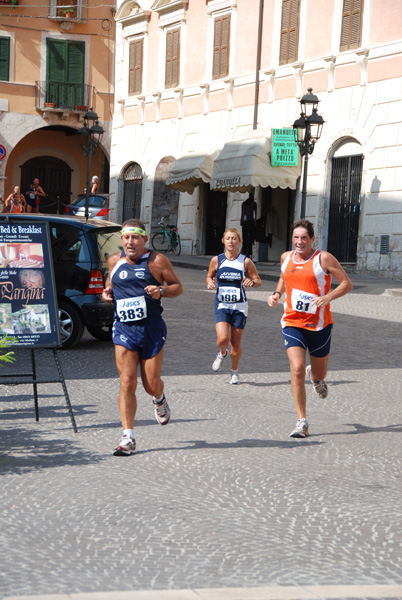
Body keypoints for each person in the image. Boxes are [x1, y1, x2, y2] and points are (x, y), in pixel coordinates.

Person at [102, 218, 183, 456]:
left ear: (144, 239)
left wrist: (161, 291)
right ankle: (128, 437)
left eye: (135, 237)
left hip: (151, 329)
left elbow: (177, 286)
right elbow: (110, 283)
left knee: (150, 384)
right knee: (127, 381)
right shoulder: (114, 261)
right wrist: (107, 292)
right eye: (126, 237)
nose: (130, 242)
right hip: (124, 328)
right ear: (122, 239)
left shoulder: (157, 261)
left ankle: (159, 397)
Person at [267, 219, 353, 438]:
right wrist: (277, 293)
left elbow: (346, 283)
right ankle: (301, 421)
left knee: (319, 371)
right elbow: (284, 277)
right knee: (296, 368)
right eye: (296, 237)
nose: (299, 242)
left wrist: (328, 297)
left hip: (319, 325)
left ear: (312, 238)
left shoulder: (323, 258)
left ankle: (316, 379)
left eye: (304, 238)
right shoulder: (286, 257)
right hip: (292, 322)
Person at [206, 227, 261, 385]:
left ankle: (234, 371)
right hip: (222, 305)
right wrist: (210, 282)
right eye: (228, 238)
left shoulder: (245, 261)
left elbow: (258, 280)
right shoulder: (217, 260)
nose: (231, 241)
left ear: (239, 242)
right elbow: (209, 275)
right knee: (223, 338)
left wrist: (252, 282)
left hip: (239, 307)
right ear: (223, 241)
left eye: (234, 238)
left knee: (236, 343)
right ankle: (222, 353)